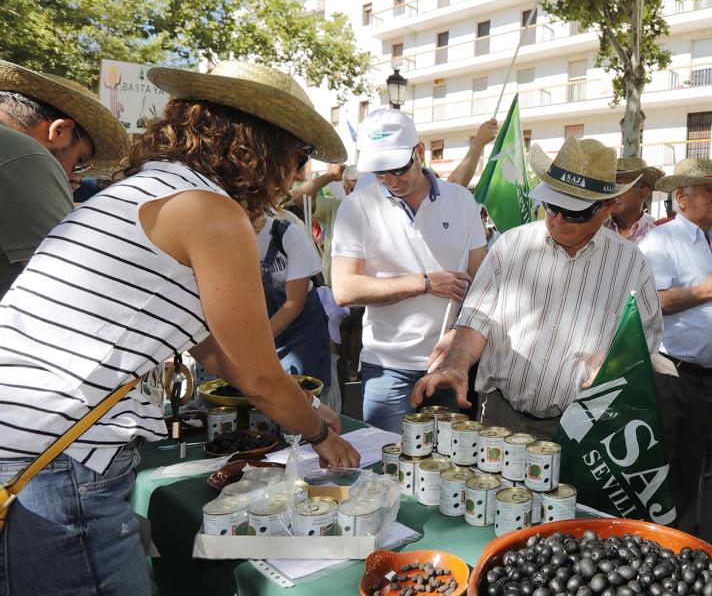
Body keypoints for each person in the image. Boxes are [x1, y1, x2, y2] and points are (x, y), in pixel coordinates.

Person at [0, 60, 360, 595]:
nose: (297, 173)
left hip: (34, 442)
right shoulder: (211, 211)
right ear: (262, 146)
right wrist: (318, 434)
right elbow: (258, 374)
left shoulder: (148, 190)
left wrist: (305, 408)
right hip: (64, 458)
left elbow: (212, 345)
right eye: (298, 155)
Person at [412, 138, 663, 440]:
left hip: (578, 426)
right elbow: (477, 318)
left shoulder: (631, 265)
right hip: (499, 414)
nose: (557, 219)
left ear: (607, 208)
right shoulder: (511, 245)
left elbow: (644, 338)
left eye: (574, 212)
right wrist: (457, 363)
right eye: (552, 205)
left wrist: (613, 370)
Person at [331, 108, 487, 433]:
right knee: (385, 468)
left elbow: (484, 284)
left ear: (419, 152)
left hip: (448, 362)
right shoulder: (356, 206)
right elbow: (344, 290)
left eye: (398, 169)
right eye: (379, 173)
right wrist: (425, 283)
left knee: (445, 469)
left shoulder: (461, 201)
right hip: (386, 365)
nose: (391, 181)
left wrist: (459, 338)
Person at [637, 158, 712, 526]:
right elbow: (652, 301)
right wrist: (701, 292)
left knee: (691, 465)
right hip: (671, 375)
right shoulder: (662, 240)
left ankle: (679, 538)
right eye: (708, 190)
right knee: (662, 466)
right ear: (681, 198)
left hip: (704, 380)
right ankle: (649, 541)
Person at [0, 60, 127, 298]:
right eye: (80, 160)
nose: (76, 175)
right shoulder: (28, 156)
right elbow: (70, 289)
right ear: (59, 131)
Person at [255, 212, 333, 388]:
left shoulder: (287, 234)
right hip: (258, 337)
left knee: (304, 398)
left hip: (301, 336)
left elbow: (294, 304)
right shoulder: (222, 239)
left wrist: (255, 343)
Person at [604, 157, 664, 244]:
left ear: (643, 194)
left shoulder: (658, 239)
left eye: (622, 186)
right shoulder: (595, 231)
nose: (615, 193)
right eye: (612, 186)